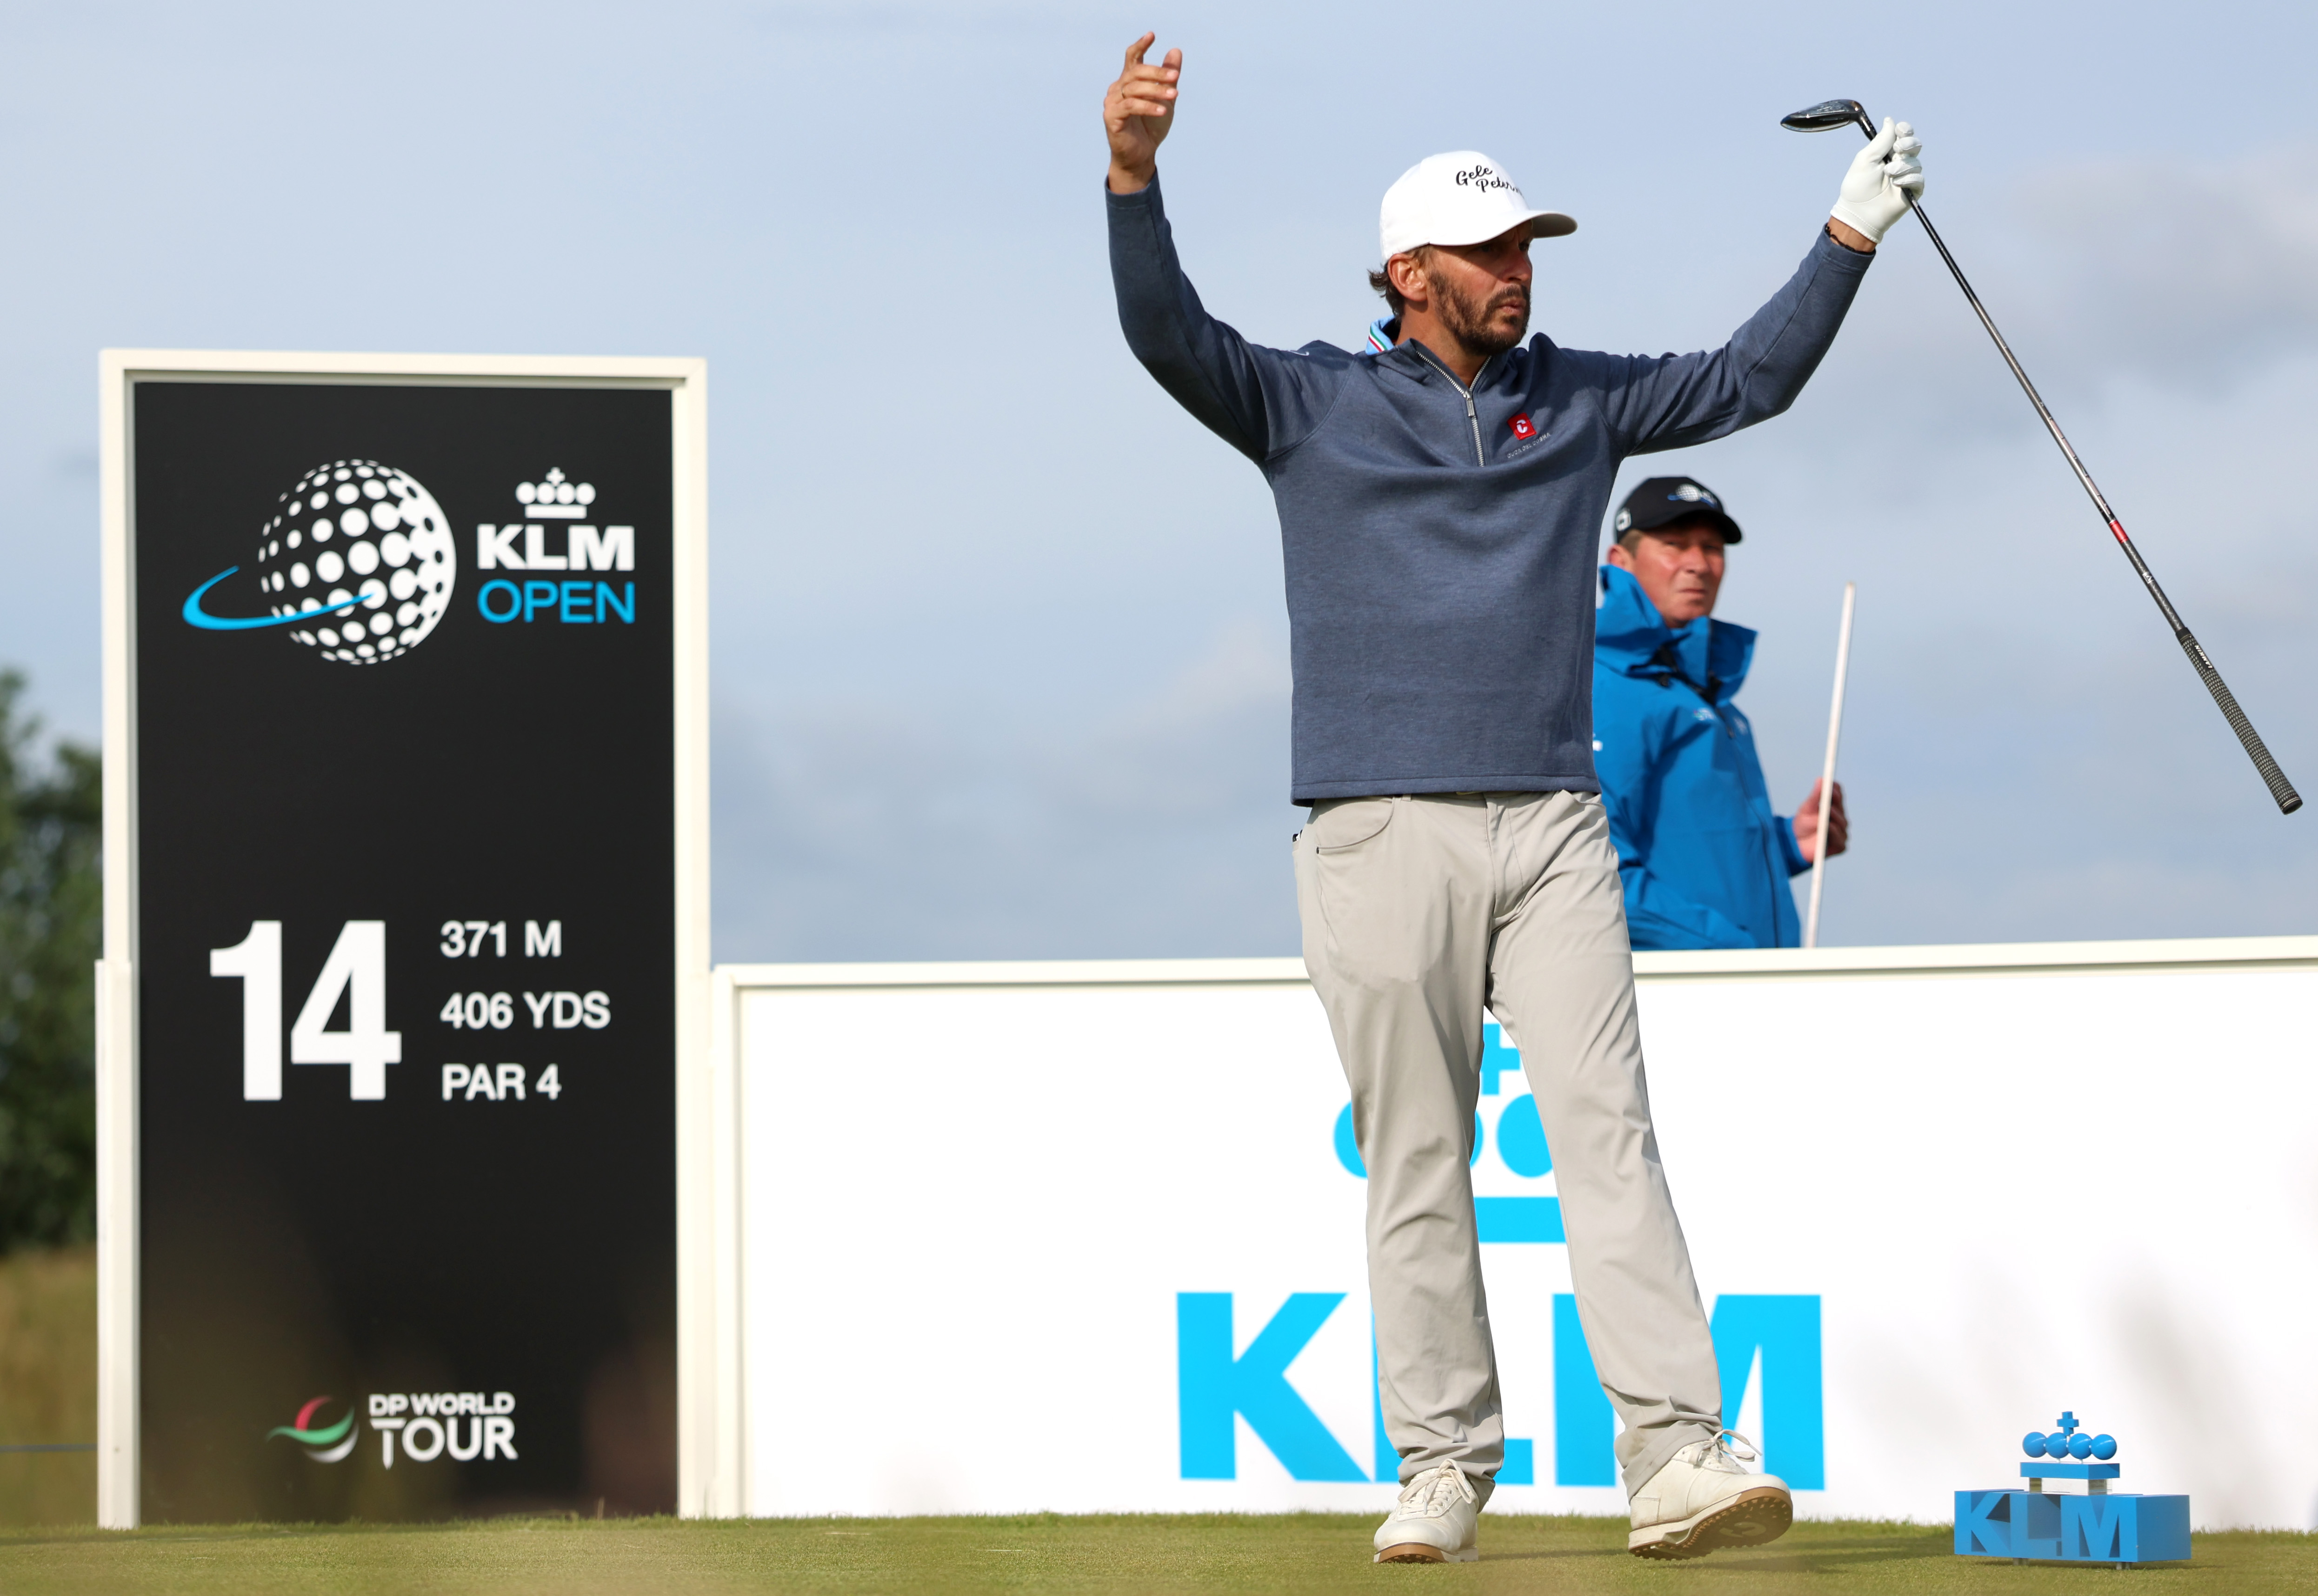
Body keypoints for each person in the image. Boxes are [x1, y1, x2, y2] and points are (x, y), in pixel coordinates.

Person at [1101, 35, 1920, 1563]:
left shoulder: (1584, 402)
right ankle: (1437, 1468)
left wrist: (1847, 235)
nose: (1518, 268)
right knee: (1419, 1151)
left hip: (1549, 823)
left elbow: (1751, 377)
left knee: (1608, 1130)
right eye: (1488, 250)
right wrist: (1133, 181)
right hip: (1371, 821)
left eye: (1528, 244)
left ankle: (1675, 1454)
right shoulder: (1308, 403)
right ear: (1407, 270)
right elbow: (1166, 336)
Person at [1594, 478, 1848, 951]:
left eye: (1712, 548)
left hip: (1738, 992)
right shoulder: (1603, 687)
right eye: (1674, 545)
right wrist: (1732, 955)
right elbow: (1591, 871)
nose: (1697, 564)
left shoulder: (1711, 702)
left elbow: (1688, 848)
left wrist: (1789, 843)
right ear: (1619, 561)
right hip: (1672, 999)